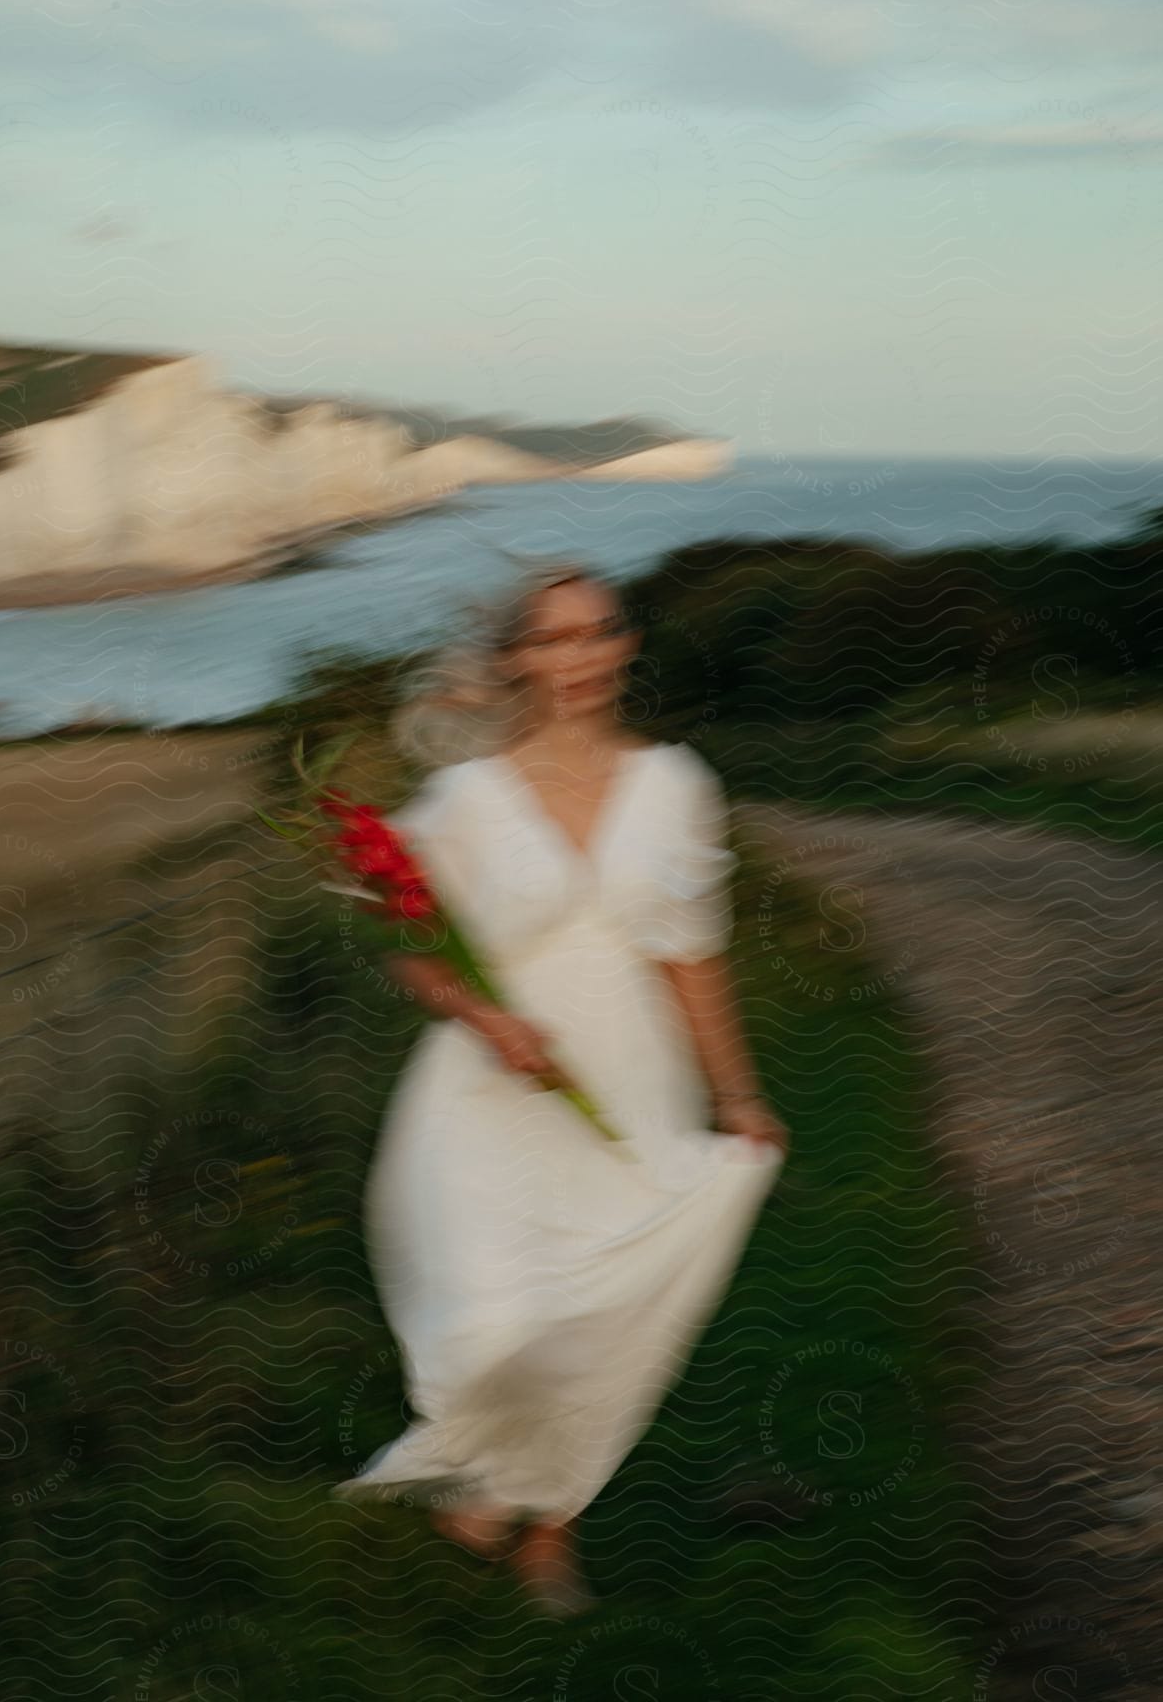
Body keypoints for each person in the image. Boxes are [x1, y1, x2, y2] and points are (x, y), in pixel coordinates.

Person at [333, 556, 789, 1615]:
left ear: (623, 646)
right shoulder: (463, 798)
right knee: (496, 1321)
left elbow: (693, 955)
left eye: (595, 632)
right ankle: (490, 1473)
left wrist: (737, 1097)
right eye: (552, 638)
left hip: (630, 1085)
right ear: (514, 661)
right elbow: (409, 943)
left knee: (599, 1319)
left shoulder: (677, 787)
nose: (578, 657)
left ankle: (545, 1527)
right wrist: (484, 1015)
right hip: (486, 1094)